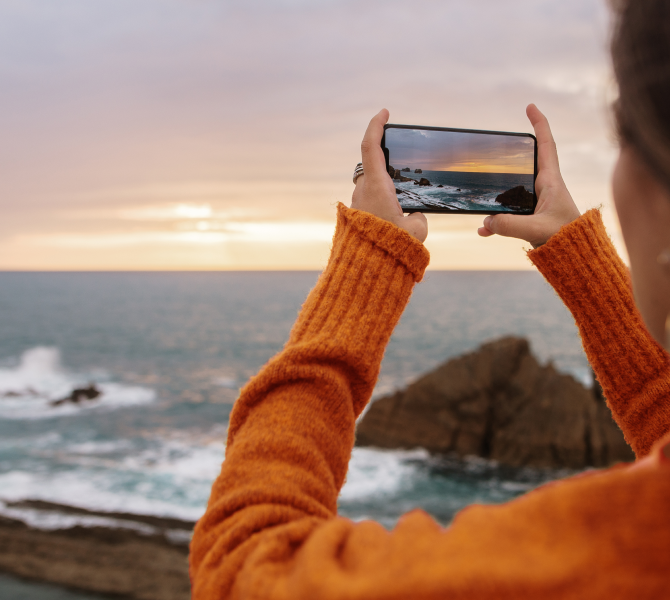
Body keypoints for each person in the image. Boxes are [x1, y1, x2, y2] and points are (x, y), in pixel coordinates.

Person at [189, 0, 670, 596]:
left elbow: (246, 566)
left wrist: (365, 263)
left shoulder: (616, 556)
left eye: (623, 136)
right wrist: (582, 261)